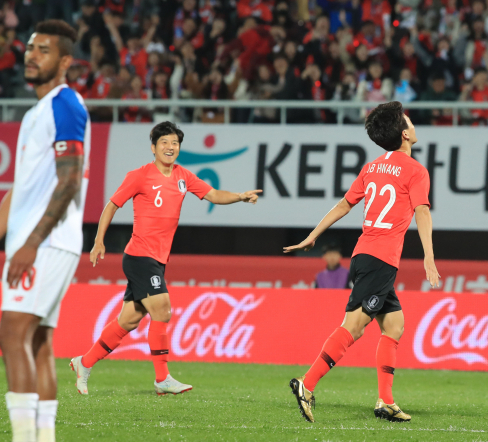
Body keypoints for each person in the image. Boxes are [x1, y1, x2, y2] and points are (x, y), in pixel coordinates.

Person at [0, 20, 88, 442]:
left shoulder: (65, 104)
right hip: (44, 242)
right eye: (31, 48)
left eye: (44, 50)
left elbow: (71, 180)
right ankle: (42, 438)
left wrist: (31, 243)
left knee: (10, 332)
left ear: (64, 61)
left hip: (46, 242)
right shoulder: (36, 112)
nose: (32, 55)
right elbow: (20, 190)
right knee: (38, 343)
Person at [69, 121, 262, 396]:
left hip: (157, 259)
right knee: (163, 309)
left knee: (129, 321)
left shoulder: (183, 175)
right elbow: (112, 204)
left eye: (175, 143)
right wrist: (99, 240)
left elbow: (213, 194)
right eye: (164, 143)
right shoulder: (139, 176)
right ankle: (162, 378)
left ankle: (83, 363)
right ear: (153, 148)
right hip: (139, 256)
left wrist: (239, 197)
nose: (170, 147)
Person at [284, 101, 440, 424]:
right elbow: (422, 211)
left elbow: (345, 205)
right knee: (353, 326)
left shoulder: (371, 168)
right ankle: (307, 384)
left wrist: (313, 235)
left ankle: (385, 401)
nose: (411, 123)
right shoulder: (416, 171)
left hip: (363, 255)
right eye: (408, 120)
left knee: (394, 325)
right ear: (405, 134)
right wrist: (429, 256)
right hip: (381, 260)